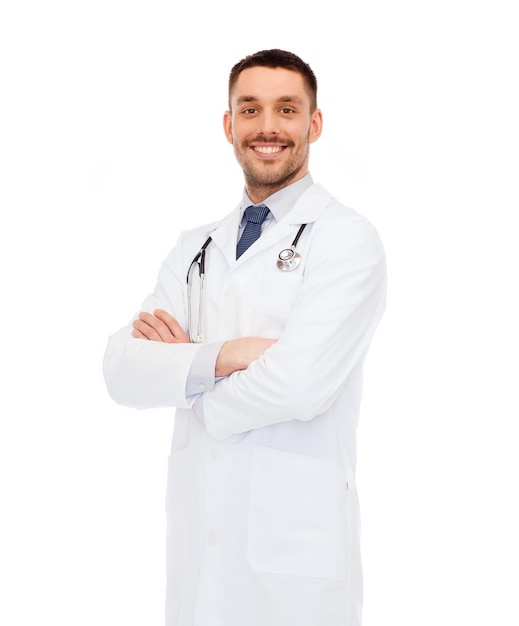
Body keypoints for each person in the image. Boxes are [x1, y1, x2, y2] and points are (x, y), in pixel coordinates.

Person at [103, 48, 387, 626]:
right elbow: (121, 370)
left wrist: (185, 375)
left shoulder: (347, 240)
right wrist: (227, 356)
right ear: (229, 125)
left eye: (286, 109)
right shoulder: (194, 247)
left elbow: (300, 386)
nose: (268, 127)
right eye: (250, 109)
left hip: (295, 563)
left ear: (314, 123)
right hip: (198, 558)